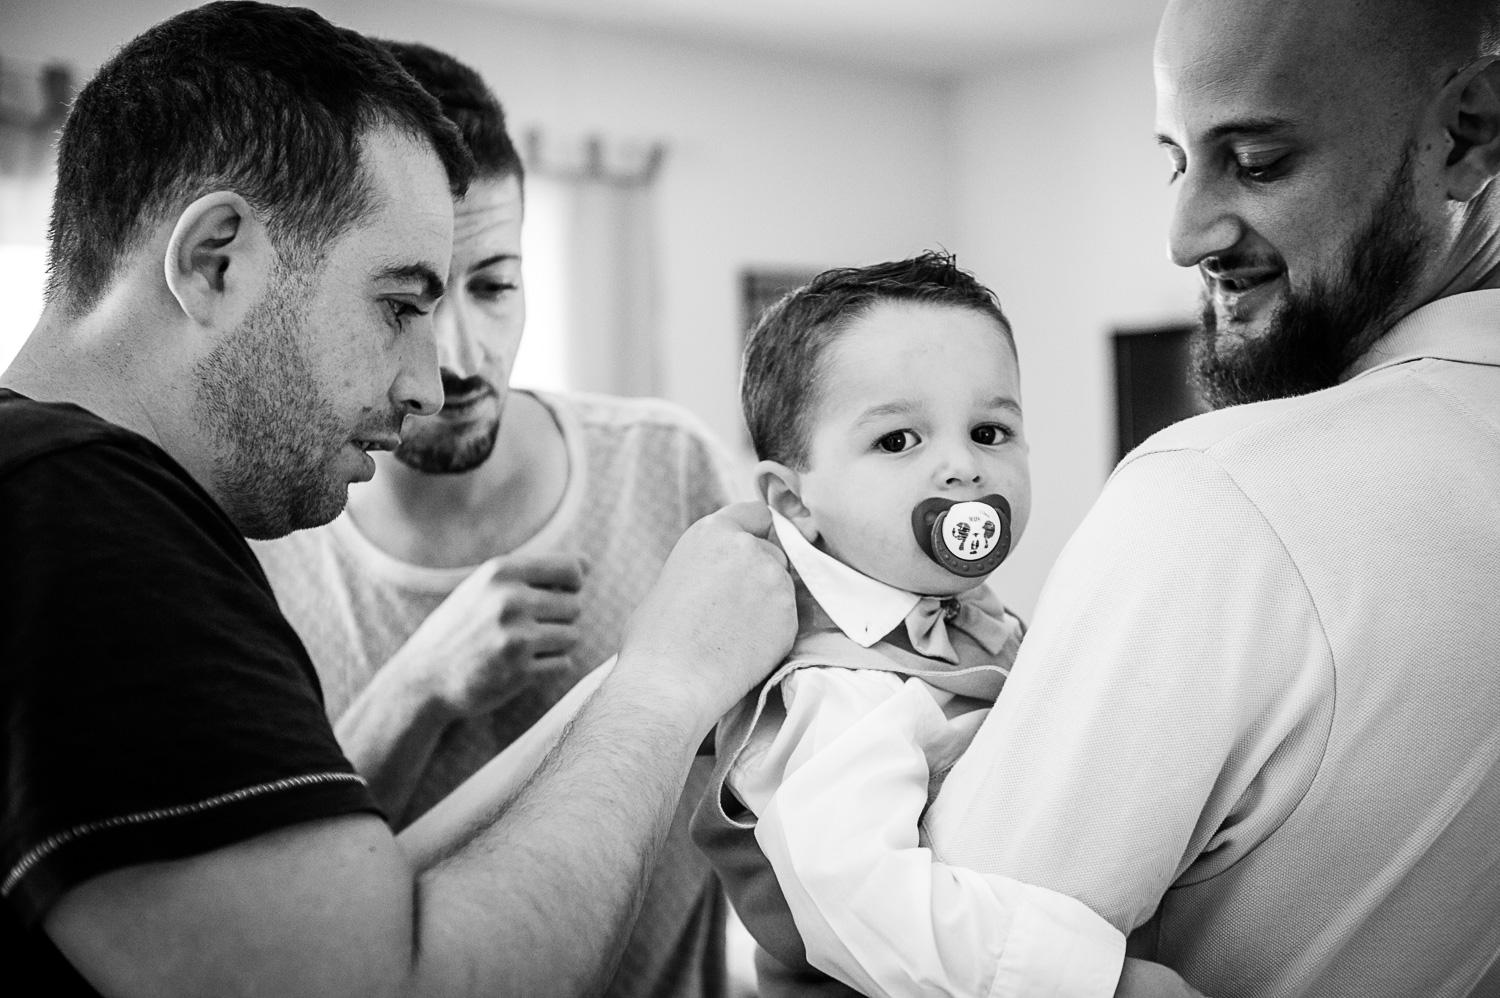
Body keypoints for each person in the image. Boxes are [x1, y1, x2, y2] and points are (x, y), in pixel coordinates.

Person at [0, 4, 792, 997]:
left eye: (487, 288)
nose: (431, 379)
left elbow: (352, 904)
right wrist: (663, 687)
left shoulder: (74, 504)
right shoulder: (78, 518)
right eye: (401, 305)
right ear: (217, 260)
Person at [752, 0, 1500, 995]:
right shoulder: (832, 687)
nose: (1183, 237)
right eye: (1176, 161)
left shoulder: (1219, 500)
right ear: (790, 496)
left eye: (1261, 159)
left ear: (1469, 131)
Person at [253, 41, 747, 998]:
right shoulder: (270, 540)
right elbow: (287, 907)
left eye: (495, 285)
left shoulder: (672, 466)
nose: (462, 359)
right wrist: (420, 689)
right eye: (413, 298)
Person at [690, 253, 1127, 998]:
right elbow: (867, 900)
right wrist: (1099, 983)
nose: (963, 467)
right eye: (899, 441)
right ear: (794, 504)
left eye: (991, 431)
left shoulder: (980, 623)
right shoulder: (834, 687)